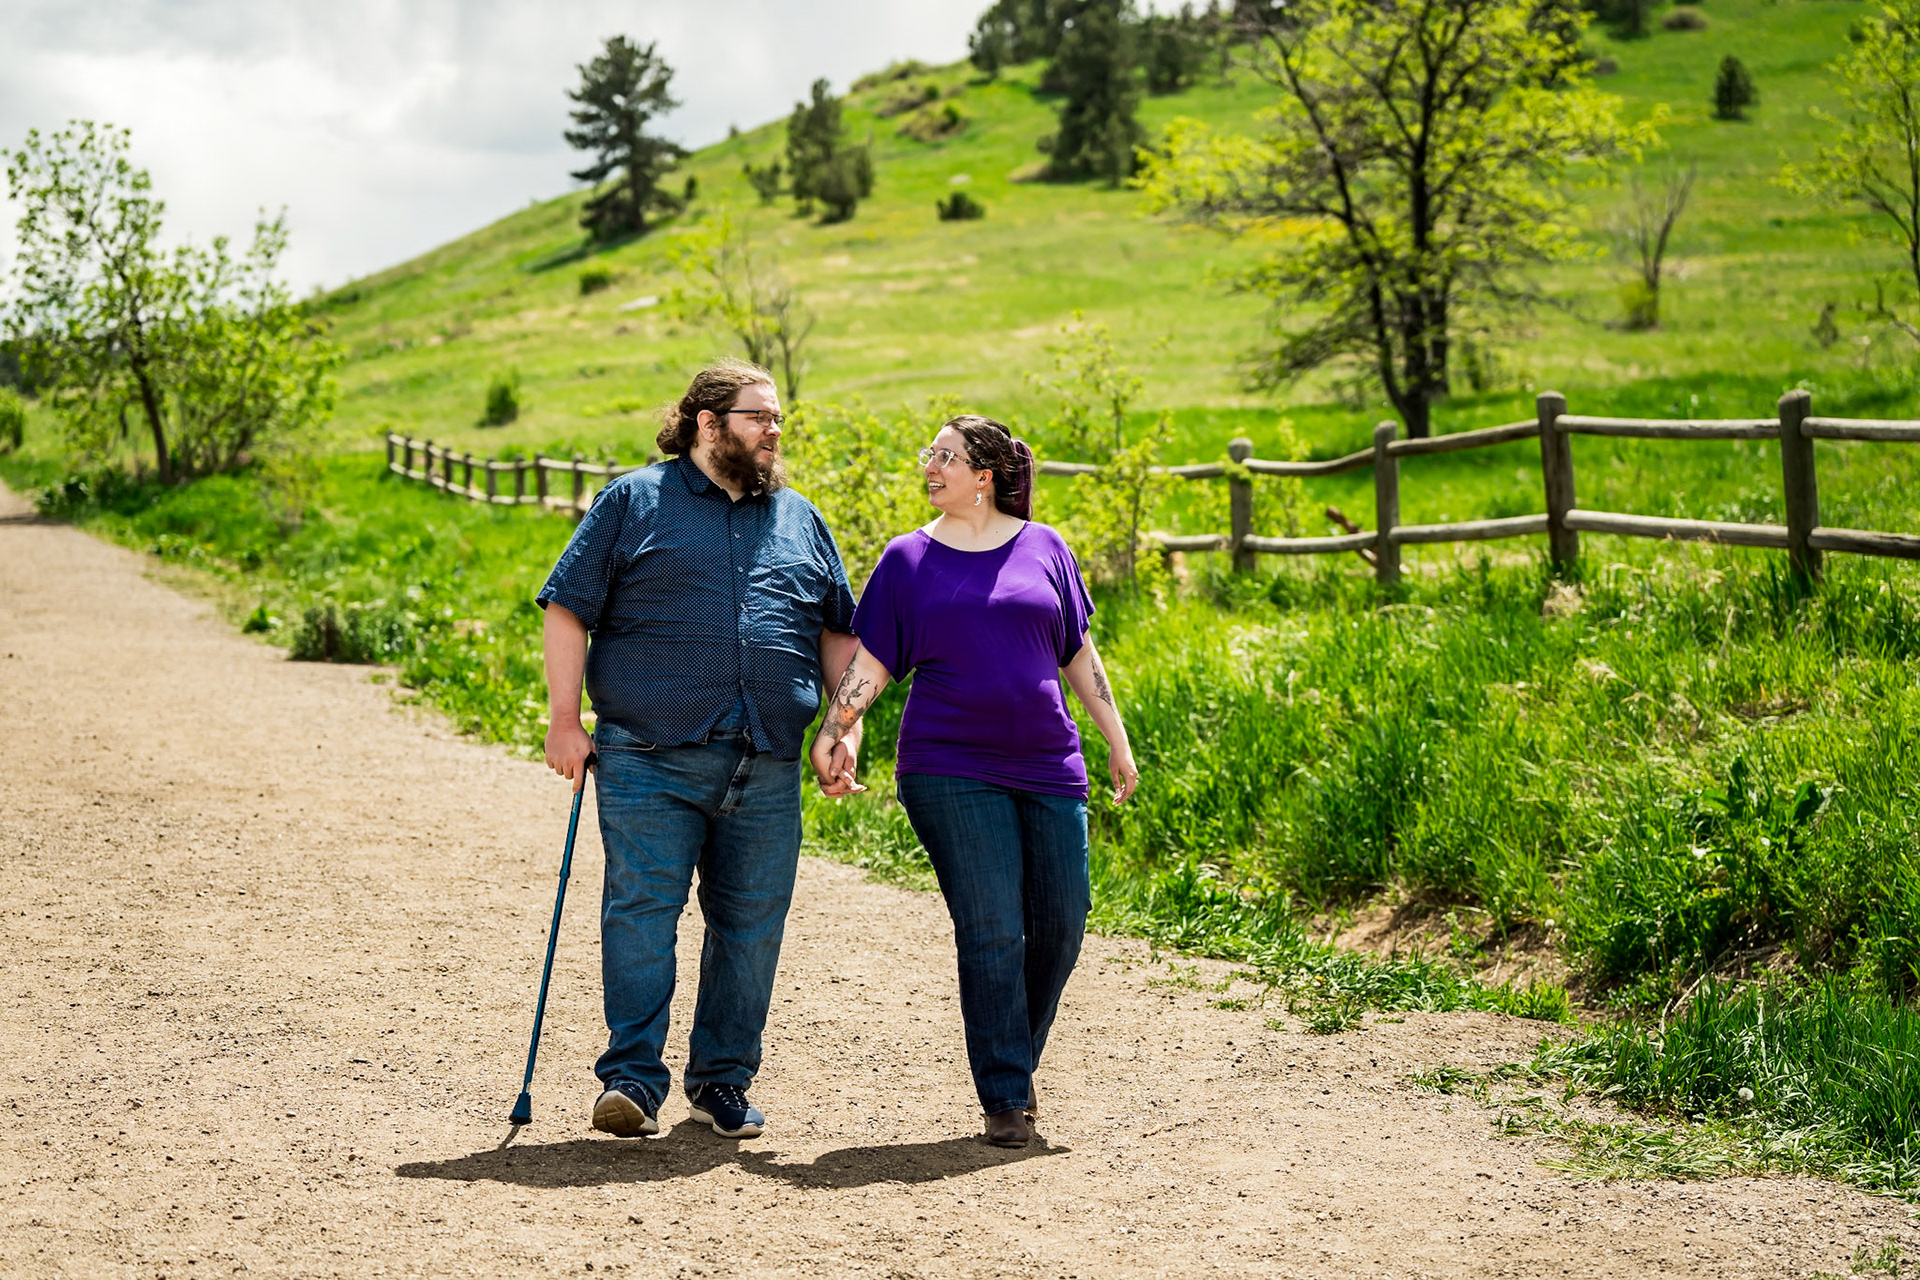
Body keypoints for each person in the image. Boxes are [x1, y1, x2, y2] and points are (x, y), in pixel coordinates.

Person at [538, 358, 862, 1141]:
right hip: (648, 753)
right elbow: (567, 609)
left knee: (751, 926)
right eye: (758, 416)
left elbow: (839, 632)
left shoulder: (800, 517)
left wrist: (841, 728)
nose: (774, 430)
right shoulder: (633, 501)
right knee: (643, 912)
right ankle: (631, 1081)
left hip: (769, 760)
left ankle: (721, 1082)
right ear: (707, 423)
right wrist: (563, 720)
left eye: (778, 417)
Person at [808, 414, 1139, 1149]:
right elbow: (872, 663)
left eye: (945, 456)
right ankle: (1005, 1094)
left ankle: (1013, 1064)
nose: (930, 466)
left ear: (984, 475)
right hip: (949, 765)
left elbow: (1078, 653)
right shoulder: (907, 559)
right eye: (929, 454)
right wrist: (834, 732)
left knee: (1062, 922)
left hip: (1049, 763)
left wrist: (1115, 740)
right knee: (993, 925)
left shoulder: (1047, 547)